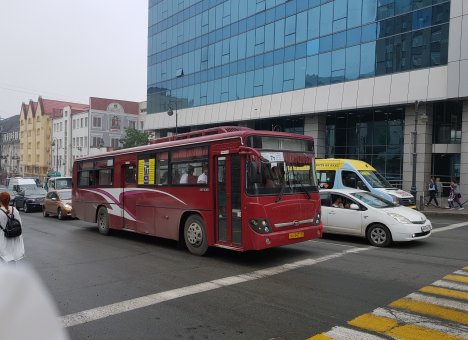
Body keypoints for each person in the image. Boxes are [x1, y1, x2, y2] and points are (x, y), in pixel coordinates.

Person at [0, 191, 25, 264]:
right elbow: (20, 223)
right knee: (12, 258)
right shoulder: (15, 210)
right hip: (14, 238)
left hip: (3, 238)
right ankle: (12, 273)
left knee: (4, 258)